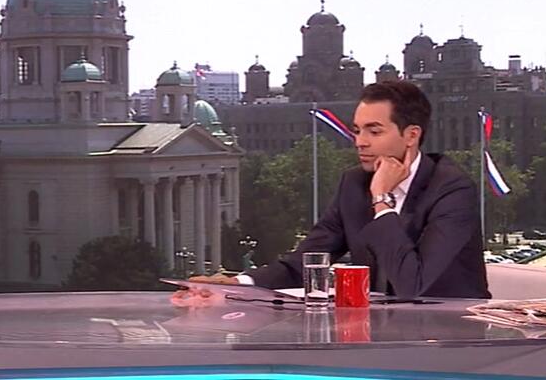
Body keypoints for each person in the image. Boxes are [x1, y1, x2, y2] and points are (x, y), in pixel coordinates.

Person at [173, 80, 489, 305]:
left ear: (411, 136)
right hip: (382, 334)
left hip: (455, 340)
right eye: (357, 130)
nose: (360, 142)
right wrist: (237, 284)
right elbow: (303, 263)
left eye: (374, 131)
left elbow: (412, 285)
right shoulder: (353, 184)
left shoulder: (452, 190)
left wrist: (381, 200)